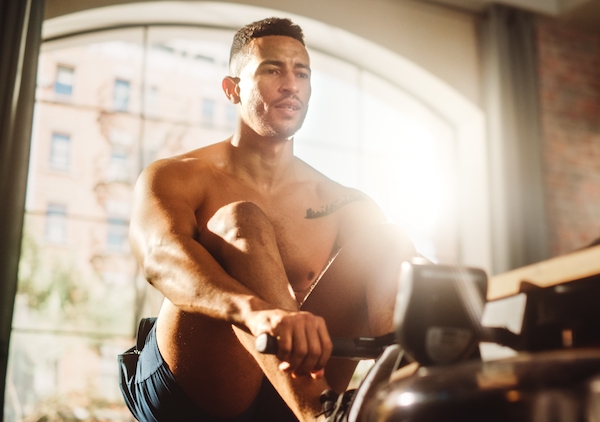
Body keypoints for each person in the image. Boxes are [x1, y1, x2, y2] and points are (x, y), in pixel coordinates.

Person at [121, 17, 417, 422]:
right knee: (242, 221)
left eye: (302, 73)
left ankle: (414, 401)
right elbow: (160, 258)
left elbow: (397, 283)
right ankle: (321, 414)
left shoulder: (342, 203)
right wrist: (255, 312)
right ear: (232, 90)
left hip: (287, 393)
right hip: (192, 388)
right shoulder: (178, 175)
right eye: (272, 69)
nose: (291, 84)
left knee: (389, 242)